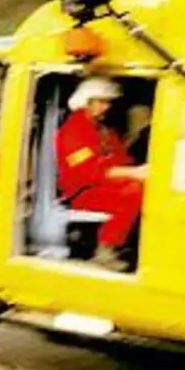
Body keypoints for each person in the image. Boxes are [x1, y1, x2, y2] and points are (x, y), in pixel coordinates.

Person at [56, 77, 147, 270]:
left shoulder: (103, 129)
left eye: (108, 102)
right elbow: (88, 171)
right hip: (81, 192)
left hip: (102, 184)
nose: (106, 107)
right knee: (133, 190)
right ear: (86, 101)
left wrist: (137, 168)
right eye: (101, 101)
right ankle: (106, 249)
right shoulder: (74, 130)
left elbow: (121, 159)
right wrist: (134, 173)